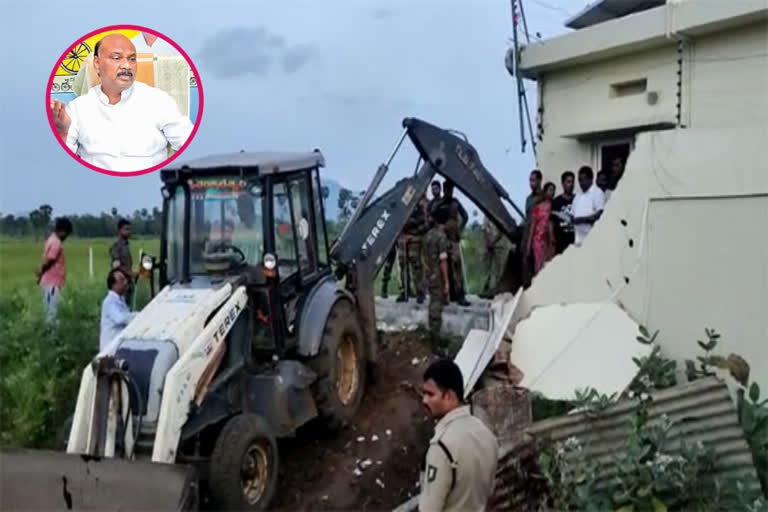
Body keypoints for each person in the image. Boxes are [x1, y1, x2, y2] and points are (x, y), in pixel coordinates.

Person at [49, 33, 193, 172]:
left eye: (132, 59)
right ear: (97, 64)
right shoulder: (78, 108)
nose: (127, 66)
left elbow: (189, 144)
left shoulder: (158, 100)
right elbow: (64, 167)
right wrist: (63, 132)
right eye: (116, 58)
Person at [419, 359, 498, 512]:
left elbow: (429, 509)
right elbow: (488, 492)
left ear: (449, 396)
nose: (424, 400)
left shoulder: (441, 447)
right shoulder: (486, 434)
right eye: (423, 394)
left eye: (430, 394)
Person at [424, 207, 451, 354]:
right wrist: (446, 282)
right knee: (436, 308)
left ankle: (433, 340)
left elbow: (425, 258)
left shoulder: (428, 235)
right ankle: (435, 345)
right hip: (437, 277)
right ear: (445, 221)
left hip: (429, 275)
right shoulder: (441, 237)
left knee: (432, 306)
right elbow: (443, 261)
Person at [36, 217, 73, 322]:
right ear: (62, 231)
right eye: (67, 234)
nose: (66, 237)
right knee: (52, 312)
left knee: (49, 310)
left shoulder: (51, 239)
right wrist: (41, 270)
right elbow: (50, 259)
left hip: (49, 282)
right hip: (52, 283)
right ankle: (51, 336)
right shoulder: (56, 243)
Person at [440, 181, 469, 307]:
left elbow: (465, 216)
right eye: (446, 189)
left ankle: (460, 295)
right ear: (443, 190)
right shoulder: (439, 204)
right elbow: (431, 218)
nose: (448, 192)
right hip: (443, 241)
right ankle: (449, 294)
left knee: (457, 267)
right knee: (445, 268)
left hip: (454, 240)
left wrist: (459, 229)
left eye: (450, 189)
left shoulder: (456, 202)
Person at [397, 194, 429, 303]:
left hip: (414, 237)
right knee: (403, 265)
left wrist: (415, 227)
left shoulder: (420, 205)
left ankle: (420, 292)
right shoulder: (403, 203)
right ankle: (404, 292)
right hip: (403, 238)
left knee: (416, 265)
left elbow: (425, 222)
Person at [99, 269, 137, 351]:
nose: (125, 282)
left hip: (117, 346)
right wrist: (137, 316)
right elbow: (120, 319)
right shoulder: (109, 301)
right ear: (114, 285)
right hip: (109, 348)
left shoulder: (121, 300)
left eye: (125, 280)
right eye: (122, 280)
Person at [525, 182, 557, 276]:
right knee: (538, 266)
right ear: (545, 191)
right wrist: (528, 244)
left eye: (553, 190)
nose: (552, 192)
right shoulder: (538, 207)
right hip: (538, 240)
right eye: (550, 190)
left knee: (549, 265)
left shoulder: (554, 206)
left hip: (549, 240)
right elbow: (533, 227)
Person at [571, 166, 606, 247]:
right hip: (578, 239)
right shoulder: (578, 196)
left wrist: (581, 220)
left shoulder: (597, 193)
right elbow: (572, 214)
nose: (581, 182)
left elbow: (599, 215)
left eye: (583, 179)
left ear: (591, 179)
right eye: (579, 180)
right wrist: (571, 219)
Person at [480, 216, 511, 299]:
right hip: (489, 243)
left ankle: (498, 289)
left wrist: (492, 242)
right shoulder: (487, 215)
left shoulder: (500, 215)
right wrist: (487, 242)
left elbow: (502, 231)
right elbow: (484, 229)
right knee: (486, 267)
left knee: (499, 269)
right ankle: (485, 288)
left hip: (500, 244)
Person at [109, 218, 136, 307]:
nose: (129, 231)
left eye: (129, 229)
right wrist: (130, 273)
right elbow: (116, 266)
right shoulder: (117, 246)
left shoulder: (126, 245)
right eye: (126, 229)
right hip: (120, 284)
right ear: (120, 230)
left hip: (128, 283)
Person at [551, 171, 576, 254]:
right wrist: (552, 237)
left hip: (575, 239)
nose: (571, 184)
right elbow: (551, 222)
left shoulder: (578, 199)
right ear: (563, 183)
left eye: (572, 182)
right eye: (568, 182)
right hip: (561, 241)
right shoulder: (556, 202)